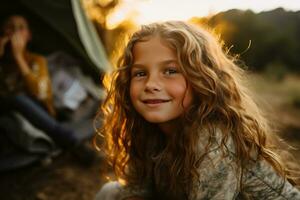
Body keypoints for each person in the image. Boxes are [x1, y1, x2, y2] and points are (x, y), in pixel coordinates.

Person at [95, 21, 300, 199]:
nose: (151, 84)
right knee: (111, 192)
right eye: (140, 73)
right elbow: (136, 188)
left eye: (170, 71)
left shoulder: (214, 142)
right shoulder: (146, 129)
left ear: (201, 80)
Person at [0, 14, 95, 165]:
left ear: (28, 36)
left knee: (17, 98)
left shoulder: (36, 61)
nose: (15, 33)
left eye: (20, 28)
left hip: (36, 113)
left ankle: (72, 142)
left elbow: (42, 94)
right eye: (10, 28)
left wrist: (18, 58)